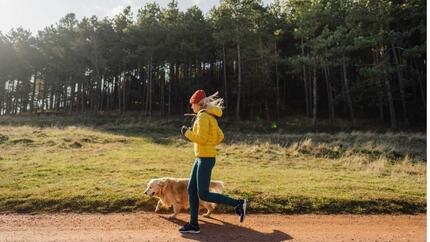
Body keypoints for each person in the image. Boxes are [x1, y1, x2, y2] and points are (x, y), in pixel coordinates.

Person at [179, 89, 247, 234]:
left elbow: (202, 139)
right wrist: (209, 142)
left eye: (192, 104)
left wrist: (187, 133)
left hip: (205, 159)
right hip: (202, 157)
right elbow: (220, 136)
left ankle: (238, 203)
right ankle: (193, 224)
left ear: (198, 104)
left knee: (202, 194)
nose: (191, 107)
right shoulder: (209, 116)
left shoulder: (203, 117)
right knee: (192, 190)